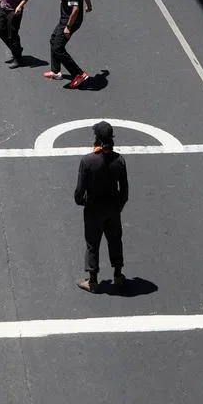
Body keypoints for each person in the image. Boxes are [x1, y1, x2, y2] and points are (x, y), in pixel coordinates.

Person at [73, 120, 128, 292]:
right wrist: (118, 206)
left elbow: (79, 193)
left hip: (93, 209)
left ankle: (93, 280)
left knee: (92, 243)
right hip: (112, 209)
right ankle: (118, 275)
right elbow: (124, 191)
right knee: (115, 241)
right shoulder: (119, 160)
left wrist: (83, 202)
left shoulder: (87, 161)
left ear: (96, 139)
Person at [44, 0, 91, 88]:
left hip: (70, 21)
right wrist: (89, 6)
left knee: (58, 47)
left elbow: (75, 10)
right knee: (53, 40)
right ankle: (56, 71)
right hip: (65, 19)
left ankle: (79, 74)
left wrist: (68, 28)